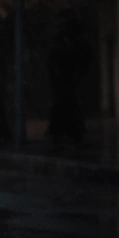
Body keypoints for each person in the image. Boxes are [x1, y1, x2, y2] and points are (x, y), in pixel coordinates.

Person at [48, 10, 89, 145]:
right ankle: (66, 134)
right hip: (64, 81)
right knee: (65, 107)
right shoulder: (64, 44)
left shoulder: (69, 44)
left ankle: (67, 134)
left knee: (66, 107)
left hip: (66, 81)